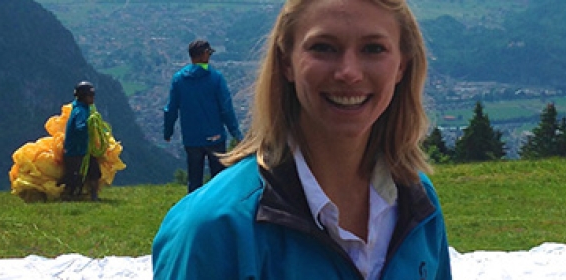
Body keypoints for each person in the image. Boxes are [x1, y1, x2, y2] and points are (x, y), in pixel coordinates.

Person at [152, 0, 452, 279]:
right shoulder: (216, 230)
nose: (348, 72)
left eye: (373, 49)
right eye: (323, 47)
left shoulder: (418, 205)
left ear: (402, 65)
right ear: (286, 62)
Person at [163, 39, 244, 193]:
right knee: (219, 181)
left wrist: (168, 132)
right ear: (204, 55)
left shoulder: (179, 80)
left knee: (194, 181)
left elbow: (171, 109)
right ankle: (217, 211)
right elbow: (226, 109)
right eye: (209, 53)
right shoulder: (216, 78)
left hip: (191, 138)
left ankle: (194, 212)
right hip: (215, 137)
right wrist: (236, 133)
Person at [59, 81, 102, 201]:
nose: (93, 98)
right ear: (84, 97)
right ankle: (68, 196)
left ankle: (93, 196)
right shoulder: (80, 111)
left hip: (83, 149)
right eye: (91, 96)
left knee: (94, 171)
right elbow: (80, 127)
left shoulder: (83, 108)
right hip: (76, 151)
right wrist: (90, 125)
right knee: (74, 176)